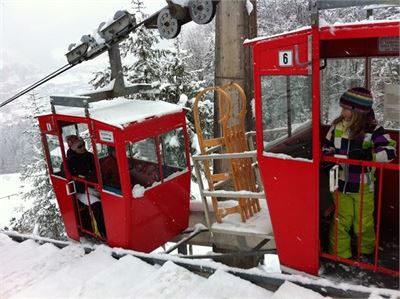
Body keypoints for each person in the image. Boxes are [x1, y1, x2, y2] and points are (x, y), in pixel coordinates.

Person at [322, 87, 397, 260]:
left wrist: (369, 156)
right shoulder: (336, 126)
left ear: (358, 112)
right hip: (340, 183)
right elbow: (327, 145)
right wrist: (328, 156)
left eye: (346, 109)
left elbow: (390, 151)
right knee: (341, 220)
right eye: (342, 108)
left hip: (364, 185)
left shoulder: (374, 130)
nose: (343, 112)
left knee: (363, 222)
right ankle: (340, 253)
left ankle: (365, 252)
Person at [65, 135, 106, 237]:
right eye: (79, 146)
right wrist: (86, 187)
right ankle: (103, 232)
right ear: (73, 149)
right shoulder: (68, 163)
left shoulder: (90, 156)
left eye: (83, 144)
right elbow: (70, 180)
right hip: (81, 191)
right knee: (97, 205)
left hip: (95, 186)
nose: (83, 147)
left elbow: (98, 171)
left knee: (109, 199)